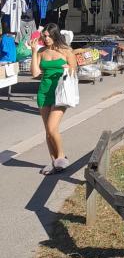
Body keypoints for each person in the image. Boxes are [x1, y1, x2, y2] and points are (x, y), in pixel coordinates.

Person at [30, 24, 77, 175]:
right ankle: (53, 161)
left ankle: (61, 157)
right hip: (44, 92)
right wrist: (33, 51)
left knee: (52, 128)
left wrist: (67, 68)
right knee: (48, 131)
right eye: (44, 36)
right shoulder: (41, 51)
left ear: (55, 35)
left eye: (49, 36)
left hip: (60, 92)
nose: (46, 38)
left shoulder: (66, 51)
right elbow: (35, 73)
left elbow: (74, 70)